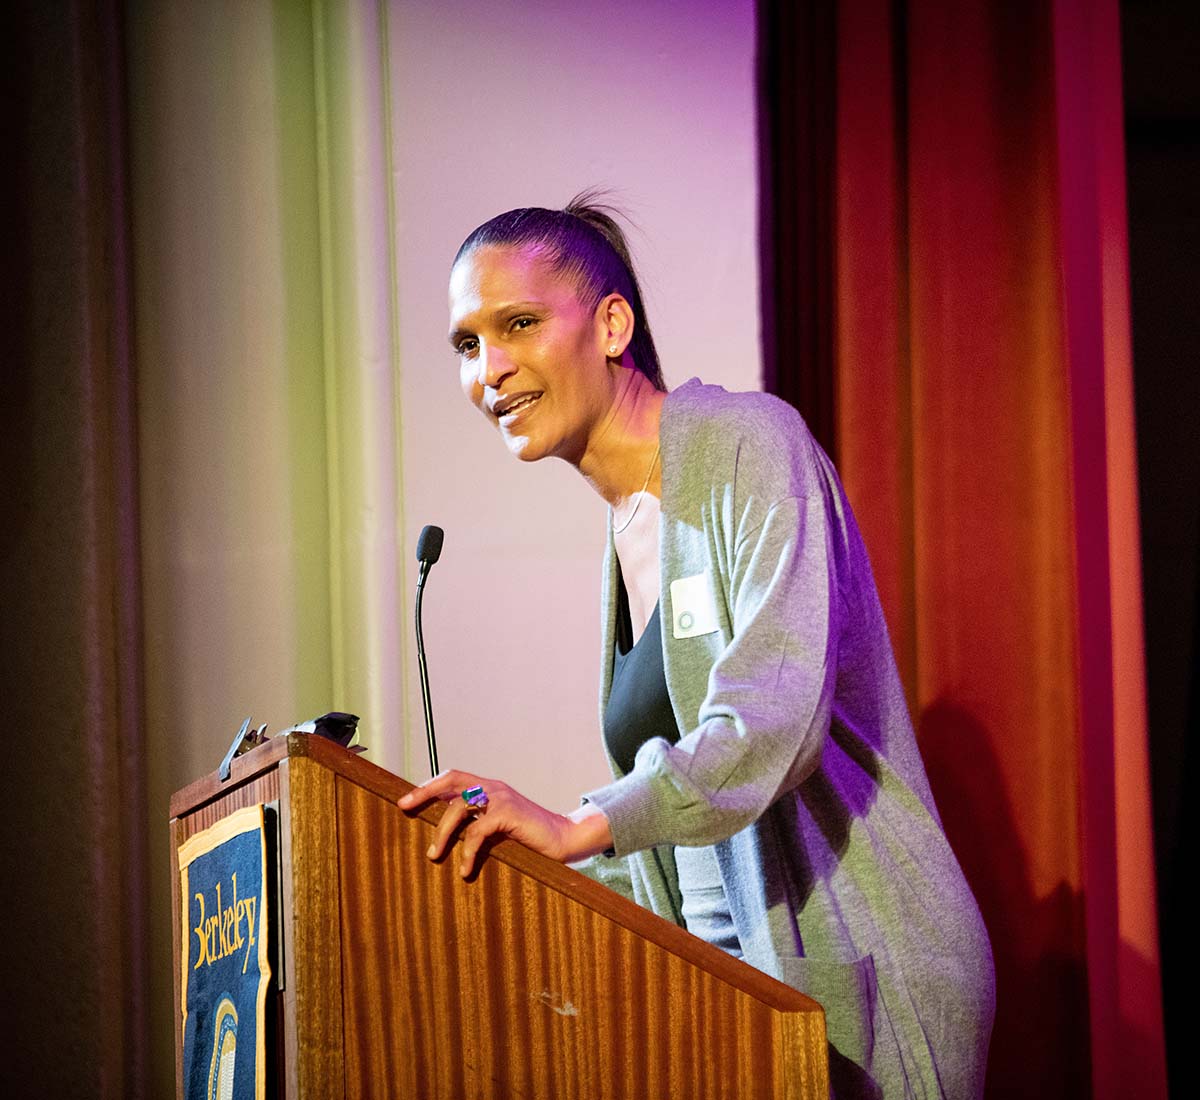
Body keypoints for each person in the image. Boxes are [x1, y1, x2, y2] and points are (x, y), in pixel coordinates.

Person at [398, 195, 995, 1098]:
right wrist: (510, 854)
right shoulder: (628, 526)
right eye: (467, 344)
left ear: (611, 325)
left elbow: (769, 721)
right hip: (741, 1004)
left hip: (867, 971)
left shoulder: (747, 443)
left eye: (518, 323)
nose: (491, 369)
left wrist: (574, 826)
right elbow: (682, 839)